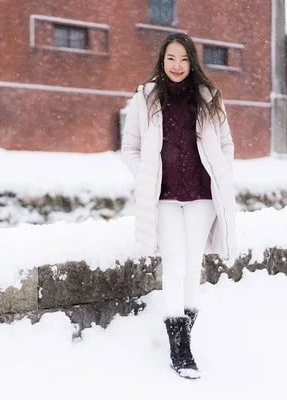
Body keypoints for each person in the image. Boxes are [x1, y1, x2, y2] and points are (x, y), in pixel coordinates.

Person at [120, 32, 237, 380]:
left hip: (202, 197)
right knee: (173, 264)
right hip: (165, 197)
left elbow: (227, 144)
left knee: (192, 265)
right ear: (162, 60)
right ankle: (179, 347)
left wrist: (218, 173)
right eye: (171, 58)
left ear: (192, 62)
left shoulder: (208, 97)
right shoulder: (145, 98)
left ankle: (186, 335)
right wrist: (148, 174)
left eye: (184, 59)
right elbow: (130, 148)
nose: (177, 65)